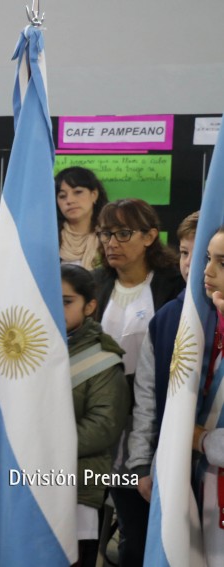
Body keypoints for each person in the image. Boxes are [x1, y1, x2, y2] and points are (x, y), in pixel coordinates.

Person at [93, 198, 183, 567]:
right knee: (117, 524)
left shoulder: (173, 285)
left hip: (154, 418)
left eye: (123, 233)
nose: (111, 242)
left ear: (149, 236)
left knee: (144, 527)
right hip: (102, 419)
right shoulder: (95, 284)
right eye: (105, 233)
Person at [127, 212, 206, 503]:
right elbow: (146, 395)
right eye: (185, 252)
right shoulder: (165, 319)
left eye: (203, 255)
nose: (190, 263)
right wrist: (141, 462)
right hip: (173, 460)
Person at [60, 264, 130, 567]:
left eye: (66, 301)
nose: (55, 306)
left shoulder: (103, 359)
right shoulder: (28, 349)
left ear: (90, 306)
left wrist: (43, 444)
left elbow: (103, 427)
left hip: (77, 485)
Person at [193, 227, 224, 563]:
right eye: (208, 258)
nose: (207, 271)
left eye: (223, 261)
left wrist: (201, 440)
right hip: (208, 486)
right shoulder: (210, 325)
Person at [55, 167, 109, 270]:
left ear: (94, 195)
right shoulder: (49, 239)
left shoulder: (110, 236)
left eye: (78, 192)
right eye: (62, 196)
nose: (69, 200)